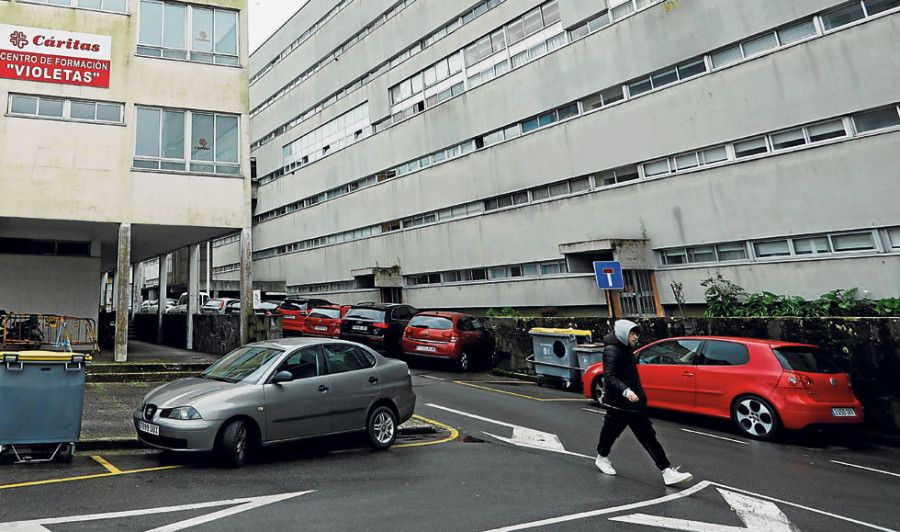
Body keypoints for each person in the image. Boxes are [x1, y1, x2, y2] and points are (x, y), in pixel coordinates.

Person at [595, 319, 693, 487]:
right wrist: (625, 390)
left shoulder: (627, 349)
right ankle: (601, 458)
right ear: (623, 334)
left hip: (633, 404)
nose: (635, 337)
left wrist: (638, 395)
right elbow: (609, 376)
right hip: (618, 403)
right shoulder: (611, 350)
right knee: (611, 433)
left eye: (636, 333)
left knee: (648, 436)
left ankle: (666, 471)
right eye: (632, 333)